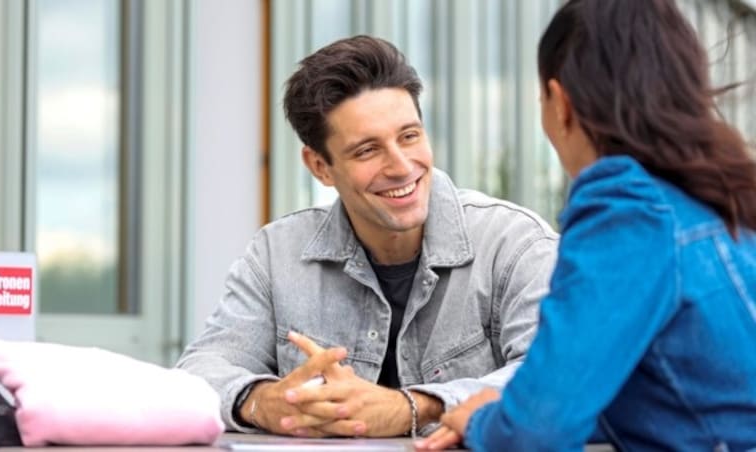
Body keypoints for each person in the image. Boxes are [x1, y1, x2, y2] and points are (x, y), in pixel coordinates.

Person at [176, 35, 558, 438]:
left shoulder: (515, 244)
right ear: (320, 166)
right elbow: (199, 372)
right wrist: (261, 402)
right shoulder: (277, 254)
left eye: (409, 136)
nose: (400, 166)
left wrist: (413, 407)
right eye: (367, 150)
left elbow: (555, 379)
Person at [417, 0, 756, 450]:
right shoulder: (721, 197)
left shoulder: (627, 209)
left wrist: (484, 421)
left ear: (561, 104)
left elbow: (538, 429)